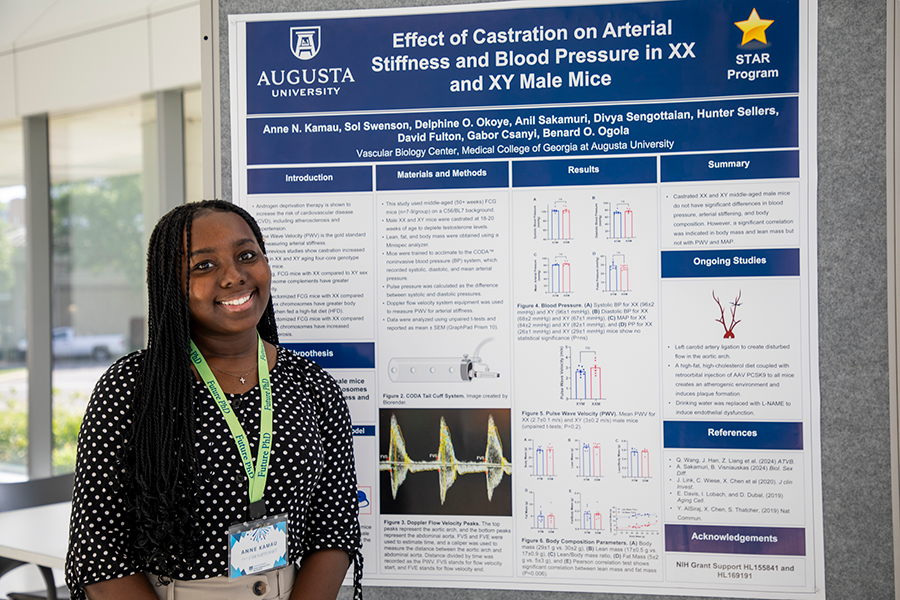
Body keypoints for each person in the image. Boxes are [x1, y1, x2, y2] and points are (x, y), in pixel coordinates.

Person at [65, 200, 362, 600]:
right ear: (172, 284)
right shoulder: (130, 388)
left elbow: (334, 525)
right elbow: (100, 554)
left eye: (246, 255)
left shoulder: (312, 386)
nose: (234, 276)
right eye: (204, 266)